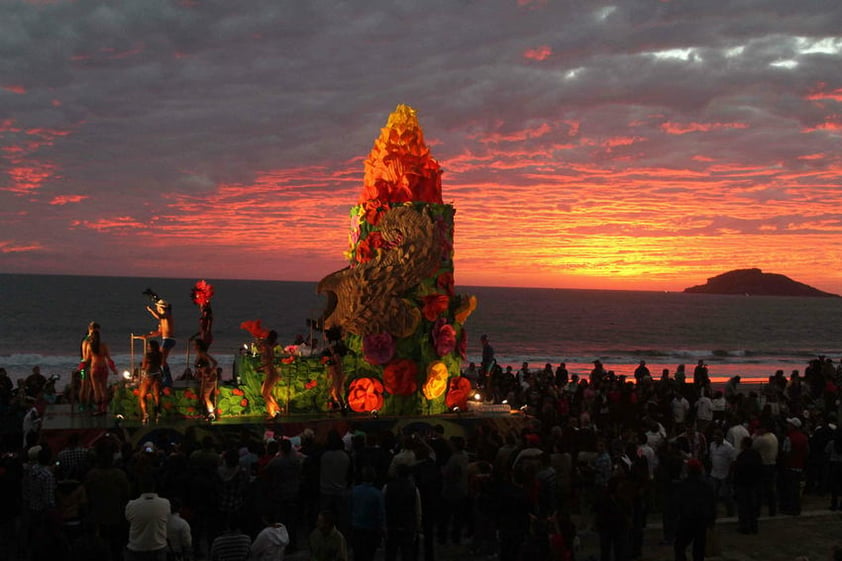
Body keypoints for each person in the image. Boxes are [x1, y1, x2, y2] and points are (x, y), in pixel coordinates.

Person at [674, 458, 716, 561]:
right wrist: (711, 521)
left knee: (679, 547)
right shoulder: (707, 484)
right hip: (702, 520)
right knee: (699, 550)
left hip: (687, 520)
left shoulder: (684, 484)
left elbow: (679, 503)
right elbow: (712, 503)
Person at [124, 476, 171, 561]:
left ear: (140, 487)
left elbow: (128, 519)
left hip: (137, 547)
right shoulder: (165, 503)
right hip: (158, 546)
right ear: (154, 487)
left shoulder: (131, 505)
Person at [84, 327, 118, 415]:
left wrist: (81, 368)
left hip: (94, 368)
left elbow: (87, 360)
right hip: (103, 368)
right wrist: (114, 369)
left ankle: (99, 409)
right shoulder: (103, 345)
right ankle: (104, 409)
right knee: (104, 389)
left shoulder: (89, 346)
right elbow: (109, 359)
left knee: (96, 390)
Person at [145, 297, 176, 386]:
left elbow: (159, 316)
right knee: (161, 360)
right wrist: (148, 335)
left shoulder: (167, 314)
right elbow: (159, 332)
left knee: (161, 360)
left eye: (158, 307)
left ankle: (167, 379)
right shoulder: (163, 318)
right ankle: (165, 378)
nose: (157, 309)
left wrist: (151, 311)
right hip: (166, 339)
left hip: (169, 339)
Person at [192, 339, 219, 421]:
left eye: (195, 345)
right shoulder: (199, 354)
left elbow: (215, 362)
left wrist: (210, 372)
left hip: (208, 378)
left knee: (205, 396)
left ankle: (211, 414)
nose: (194, 346)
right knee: (203, 396)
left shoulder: (203, 354)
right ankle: (206, 413)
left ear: (199, 346)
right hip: (204, 377)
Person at [138, 339, 164, 424]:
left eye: (148, 346)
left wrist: (140, 375)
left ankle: (146, 414)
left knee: (142, 396)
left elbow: (144, 366)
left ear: (151, 347)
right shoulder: (160, 355)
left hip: (149, 376)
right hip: (157, 375)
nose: (147, 347)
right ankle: (158, 414)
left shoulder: (147, 355)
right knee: (157, 396)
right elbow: (161, 364)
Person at [259, 330, 282, 419]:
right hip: (270, 373)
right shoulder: (268, 348)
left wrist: (260, 367)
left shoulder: (268, 348)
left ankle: (272, 414)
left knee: (265, 394)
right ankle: (277, 409)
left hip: (271, 374)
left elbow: (270, 361)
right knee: (265, 392)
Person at [78, 322, 98, 412]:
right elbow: (85, 356)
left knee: (92, 386)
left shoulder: (92, 339)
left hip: (91, 364)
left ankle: (89, 403)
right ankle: (82, 404)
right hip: (85, 365)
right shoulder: (87, 340)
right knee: (84, 385)